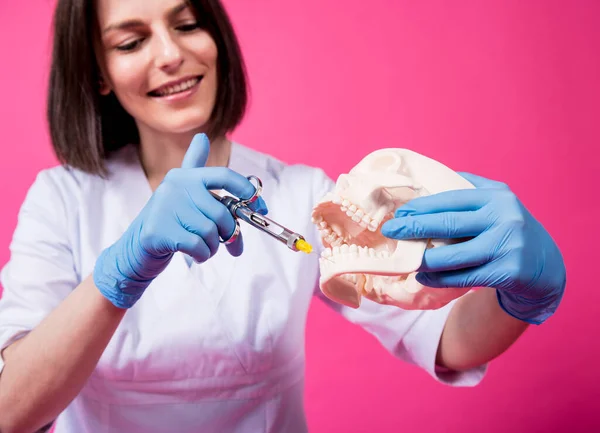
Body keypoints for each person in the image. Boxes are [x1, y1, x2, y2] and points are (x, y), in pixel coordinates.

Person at [0, 0, 566, 432]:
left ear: (216, 38)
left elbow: (443, 337)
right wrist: (116, 276)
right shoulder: (62, 200)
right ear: (98, 73)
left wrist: (519, 295)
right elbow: (10, 410)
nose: (170, 54)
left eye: (187, 23)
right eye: (130, 42)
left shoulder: (303, 196)